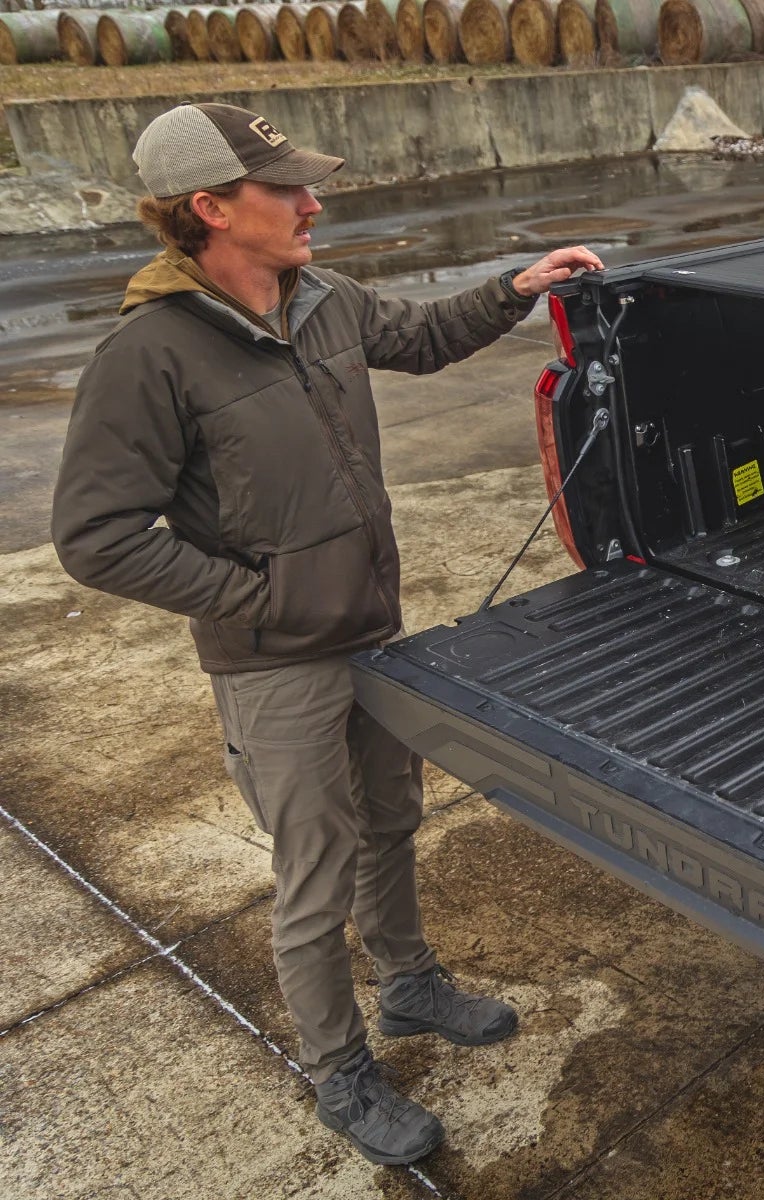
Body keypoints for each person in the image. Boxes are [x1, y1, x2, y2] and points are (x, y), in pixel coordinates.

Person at [50, 102, 605, 1166]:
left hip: (371, 631)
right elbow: (96, 536)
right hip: (274, 664)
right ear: (209, 209)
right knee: (314, 866)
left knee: (392, 819)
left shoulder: (325, 301)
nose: (313, 202)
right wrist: (259, 600)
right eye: (285, 189)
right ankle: (340, 1071)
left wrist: (515, 289)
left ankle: (407, 986)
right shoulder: (151, 352)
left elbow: (425, 337)